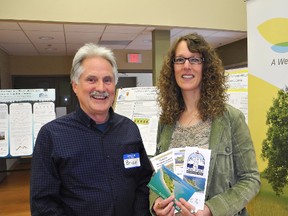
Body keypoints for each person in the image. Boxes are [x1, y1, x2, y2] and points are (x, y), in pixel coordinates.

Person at [30, 43, 153, 216]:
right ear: (75, 86)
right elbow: (43, 203)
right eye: (91, 79)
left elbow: (143, 181)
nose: (101, 88)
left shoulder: (129, 129)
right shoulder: (52, 135)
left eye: (107, 80)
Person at [150, 33, 260, 216]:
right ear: (172, 67)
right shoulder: (166, 120)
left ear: (206, 67)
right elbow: (158, 175)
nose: (186, 66)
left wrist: (211, 209)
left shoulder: (231, 119)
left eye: (194, 59)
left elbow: (250, 179)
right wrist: (157, 205)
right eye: (180, 60)